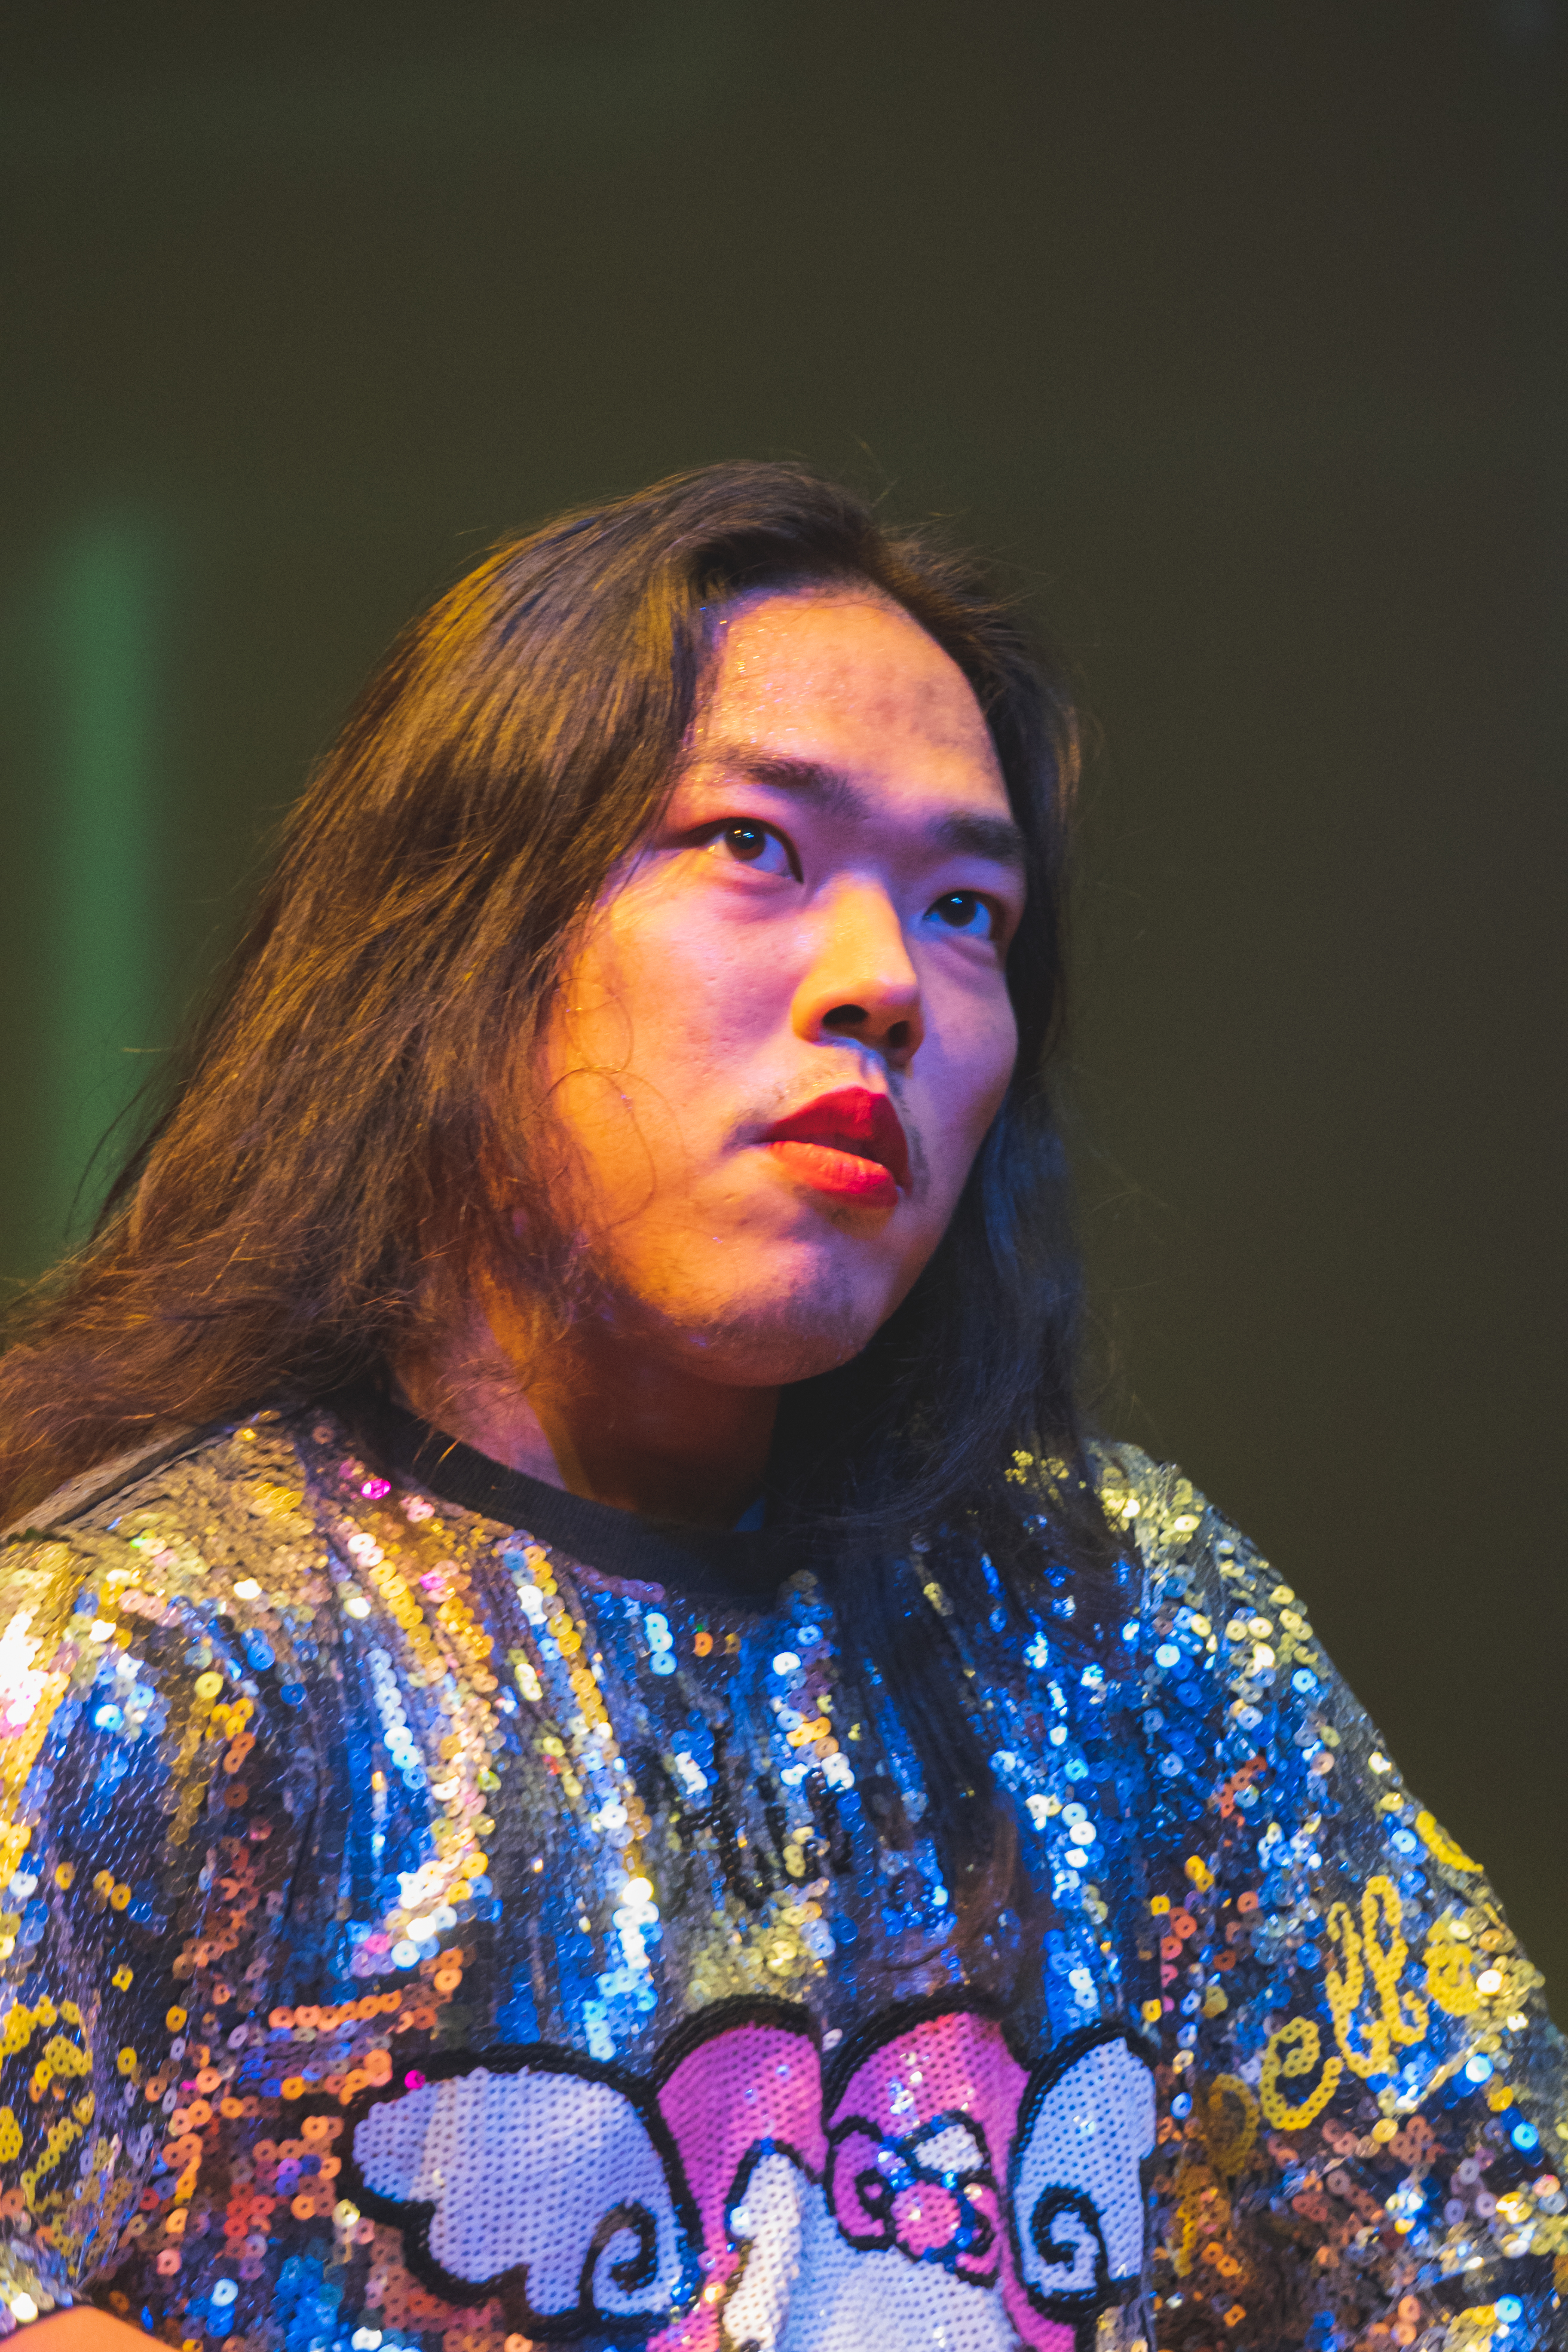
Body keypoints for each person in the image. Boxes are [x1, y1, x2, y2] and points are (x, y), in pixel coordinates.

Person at [0, 464, 1559, 2352]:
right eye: (756, 847)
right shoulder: (162, 1647)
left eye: (969, 908)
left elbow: (1490, 2236)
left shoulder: (1129, 1625)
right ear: (458, 942)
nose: (887, 983)